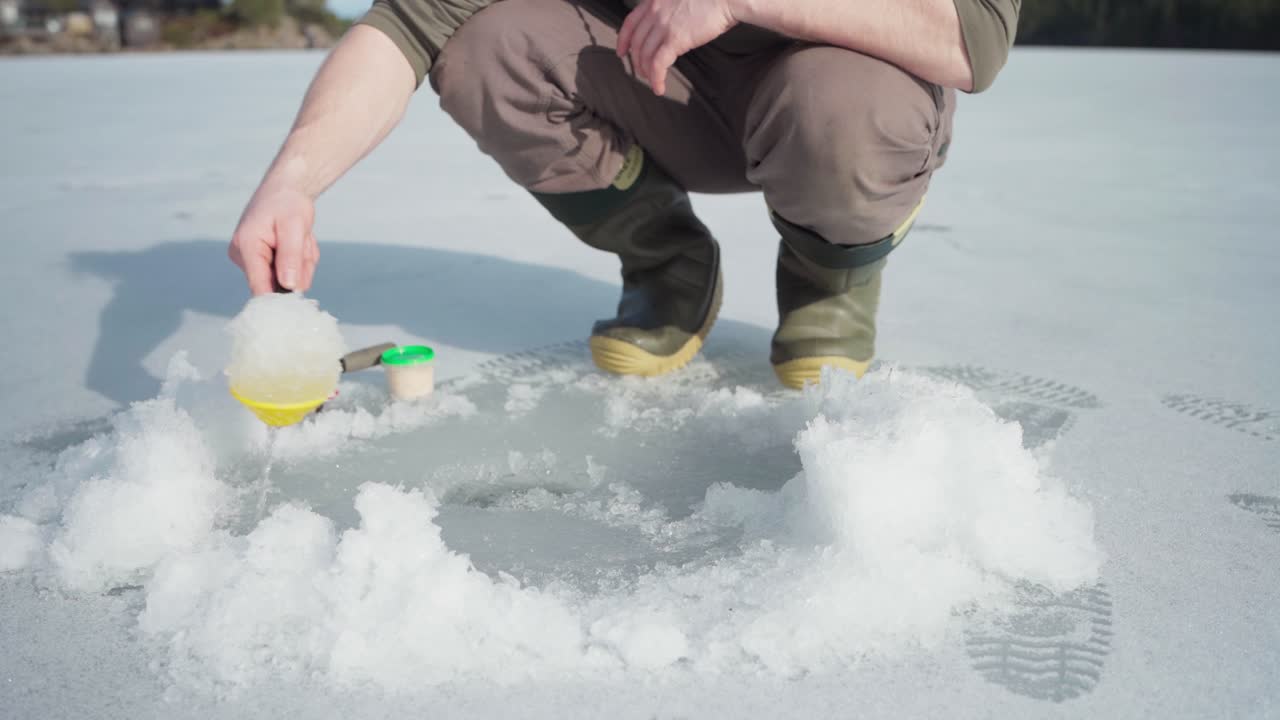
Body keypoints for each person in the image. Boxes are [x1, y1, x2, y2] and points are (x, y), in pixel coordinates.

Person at [228, 0, 1020, 388]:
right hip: (661, 83)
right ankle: (667, 262)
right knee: (484, 48)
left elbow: (970, 35)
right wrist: (292, 182)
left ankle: (831, 280)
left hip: (835, 89)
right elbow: (407, 24)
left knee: (841, 110)